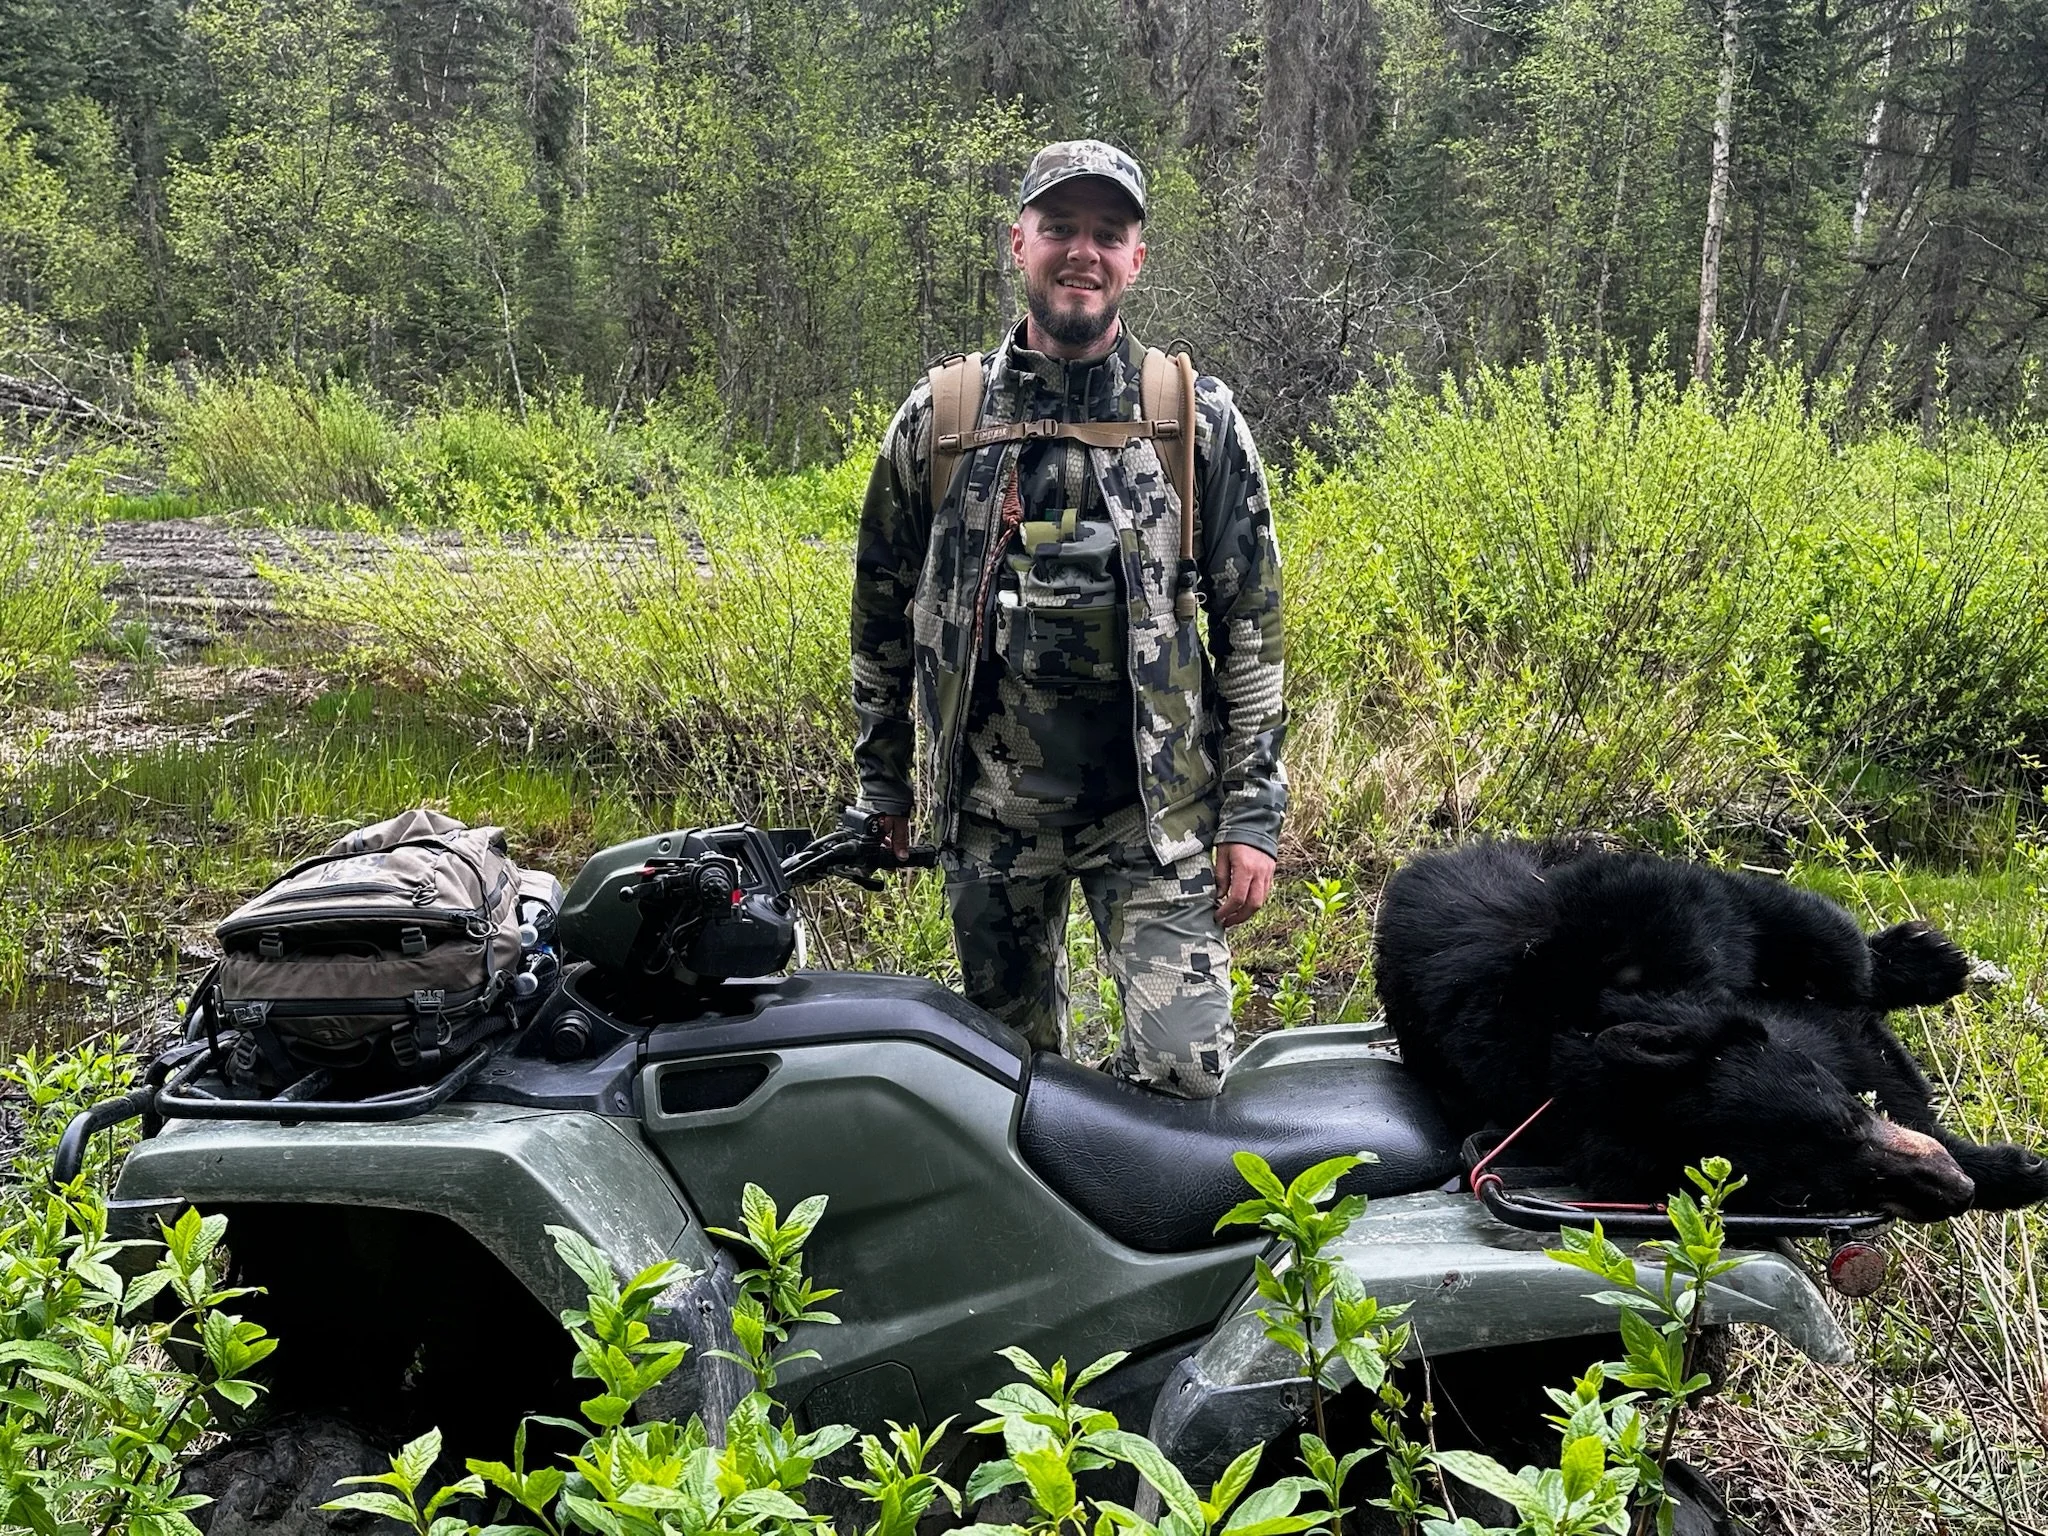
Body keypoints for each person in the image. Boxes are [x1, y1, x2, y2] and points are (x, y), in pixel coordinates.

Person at [849, 139, 1286, 1099]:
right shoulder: (944, 417)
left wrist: (1252, 814)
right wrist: (884, 788)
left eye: (1107, 232)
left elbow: (1252, 624)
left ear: (1136, 257)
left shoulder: (1194, 418)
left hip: (1153, 817)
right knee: (1007, 1089)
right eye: (1060, 229)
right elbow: (879, 612)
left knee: (1187, 1079)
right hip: (992, 818)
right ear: (1019, 242)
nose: (1081, 252)